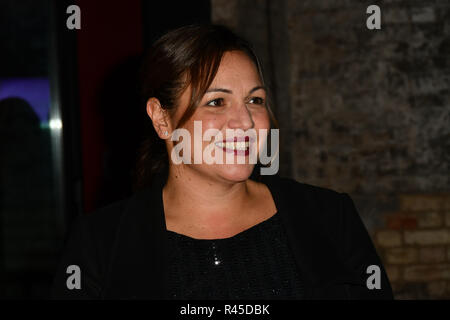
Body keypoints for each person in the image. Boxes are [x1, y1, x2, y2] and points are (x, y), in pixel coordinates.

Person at [51, 24, 393, 300]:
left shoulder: (329, 217)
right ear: (161, 118)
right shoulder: (100, 244)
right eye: (217, 102)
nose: (245, 122)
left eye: (255, 100)